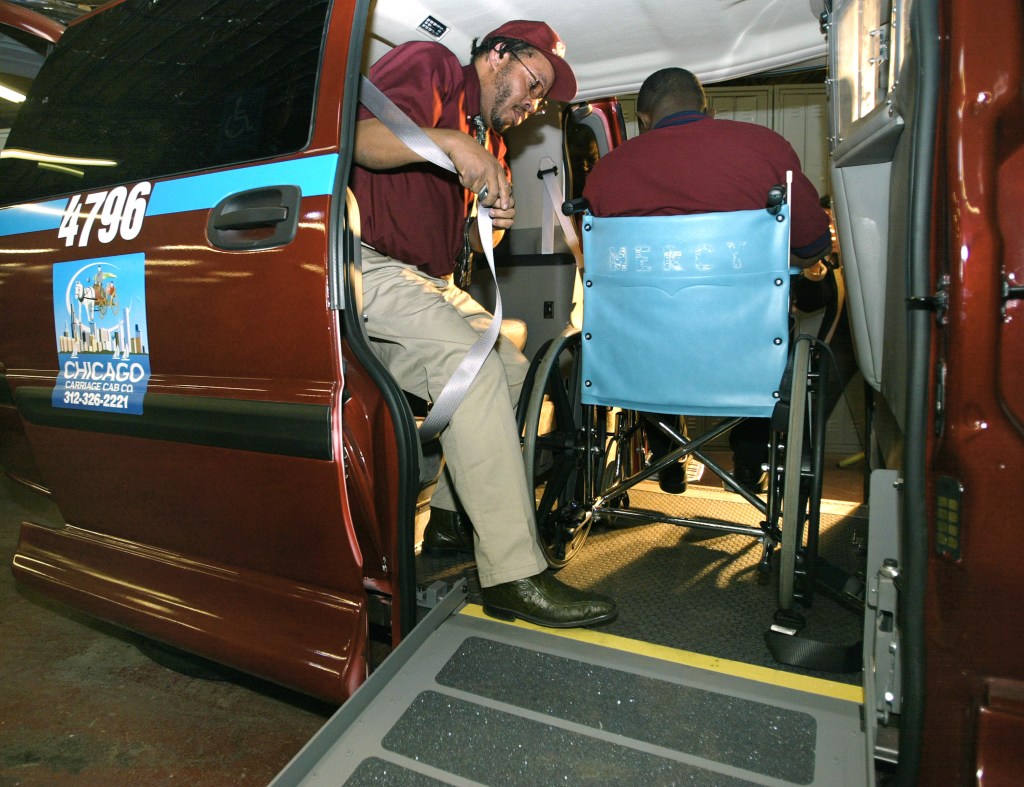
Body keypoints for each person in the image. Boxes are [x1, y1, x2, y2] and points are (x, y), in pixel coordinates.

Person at [350, 21, 617, 628]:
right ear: (498, 55)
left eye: (541, 100)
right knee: (469, 370)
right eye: (532, 84)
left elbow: (437, 206)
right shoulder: (434, 66)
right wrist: (455, 145)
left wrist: (487, 214)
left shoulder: (482, 135)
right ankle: (513, 575)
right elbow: (359, 140)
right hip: (368, 265)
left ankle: (449, 520)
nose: (531, 105)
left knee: (515, 370)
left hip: (425, 281)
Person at [583, 67, 832, 494]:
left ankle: (666, 452)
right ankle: (750, 463)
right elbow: (813, 244)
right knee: (771, 324)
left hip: (640, 354)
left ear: (643, 118)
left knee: (646, 324)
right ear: (708, 109)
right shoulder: (764, 147)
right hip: (740, 347)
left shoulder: (606, 172)